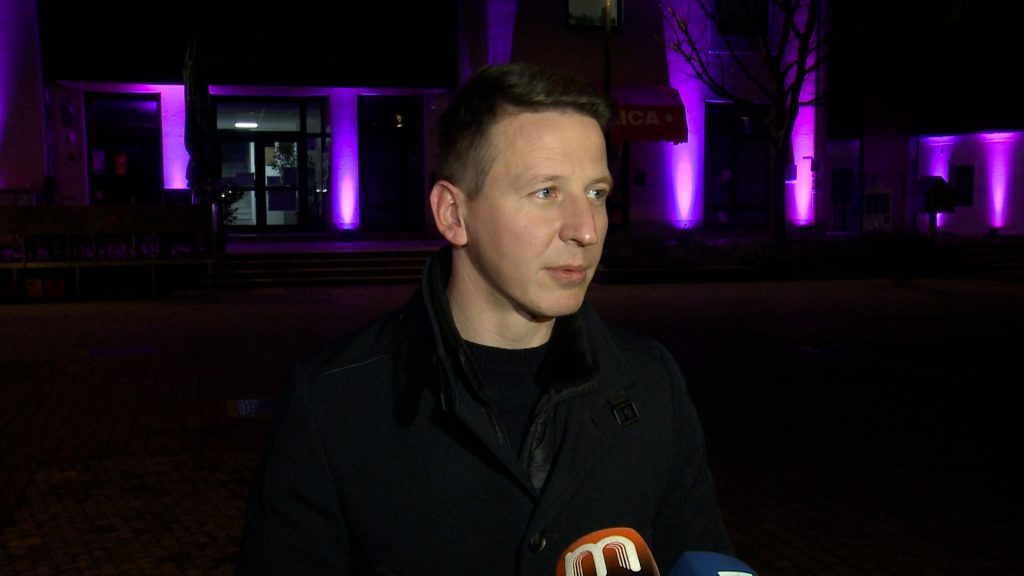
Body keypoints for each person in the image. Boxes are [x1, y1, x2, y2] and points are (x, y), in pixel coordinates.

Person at [235, 61, 732, 575]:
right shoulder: (332, 406)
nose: (586, 229)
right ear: (453, 214)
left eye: (596, 193)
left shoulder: (652, 384)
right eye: (546, 192)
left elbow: (701, 556)